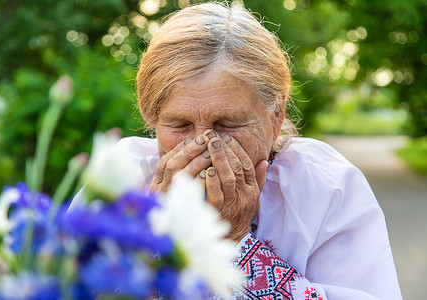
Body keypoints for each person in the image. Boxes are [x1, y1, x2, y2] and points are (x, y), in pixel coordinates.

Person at [79, 2, 402, 299]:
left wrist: (235, 241)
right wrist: (155, 237)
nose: (204, 146)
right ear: (152, 120)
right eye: (179, 125)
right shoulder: (120, 178)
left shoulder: (325, 185)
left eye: (227, 124)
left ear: (276, 115)